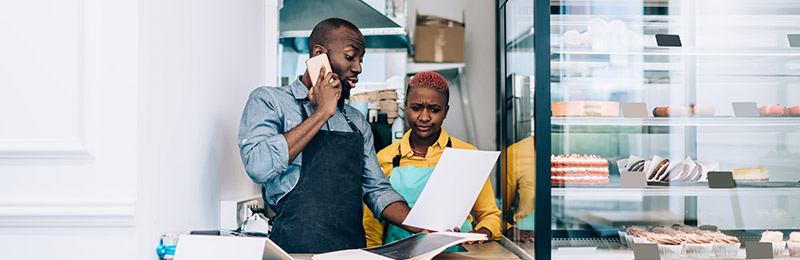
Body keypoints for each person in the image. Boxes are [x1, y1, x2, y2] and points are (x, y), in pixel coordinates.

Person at [238, 18, 423, 254]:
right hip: (294, 254)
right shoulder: (270, 101)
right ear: (319, 55)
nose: (358, 68)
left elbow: (377, 190)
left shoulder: (356, 121)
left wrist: (420, 224)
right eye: (350, 56)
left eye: (360, 59)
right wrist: (323, 112)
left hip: (351, 253)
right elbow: (258, 166)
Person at [362, 71, 502, 248]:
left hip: (456, 255)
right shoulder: (385, 158)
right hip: (400, 255)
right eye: (416, 108)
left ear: (446, 111)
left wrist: (482, 232)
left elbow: (490, 215)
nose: (424, 117)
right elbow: (372, 226)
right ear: (405, 107)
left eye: (434, 110)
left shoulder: (467, 154)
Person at [504, 135, 536, 243]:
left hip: (584, 233)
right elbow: (496, 212)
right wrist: (510, 230)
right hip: (529, 241)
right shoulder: (517, 152)